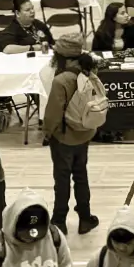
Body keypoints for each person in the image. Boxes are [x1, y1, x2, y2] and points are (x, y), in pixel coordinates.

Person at [42, 41, 102, 236]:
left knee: (62, 179)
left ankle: (59, 220)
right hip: (84, 133)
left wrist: (47, 133)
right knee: (81, 176)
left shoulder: (61, 80)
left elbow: (53, 113)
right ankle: (85, 218)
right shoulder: (89, 73)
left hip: (64, 138)